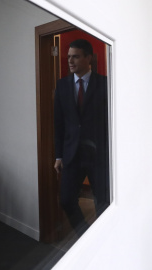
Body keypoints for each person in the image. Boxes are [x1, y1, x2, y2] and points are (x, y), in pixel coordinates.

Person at [53, 39, 109, 235]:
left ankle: (104, 241)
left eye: (75, 56)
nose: (70, 61)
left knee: (103, 202)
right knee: (66, 200)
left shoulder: (105, 84)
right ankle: (86, 236)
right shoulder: (62, 86)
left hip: (98, 155)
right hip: (72, 154)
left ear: (88, 58)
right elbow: (58, 123)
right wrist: (58, 155)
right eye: (69, 57)